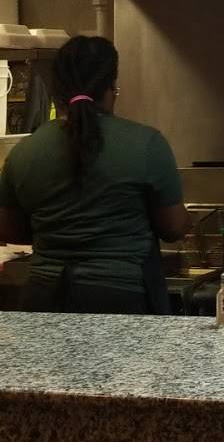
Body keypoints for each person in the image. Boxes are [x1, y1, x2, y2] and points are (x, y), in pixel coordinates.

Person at [0, 34, 190, 314]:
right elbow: (173, 227)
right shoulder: (147, 144)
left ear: (57, 91)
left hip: (45, 296)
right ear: (111, 87)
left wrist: (59, 231)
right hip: (120, 297)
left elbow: (7, 228)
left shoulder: (24, 151)